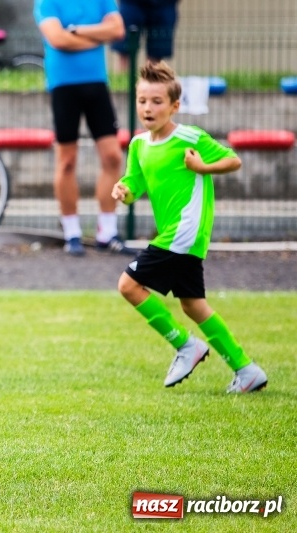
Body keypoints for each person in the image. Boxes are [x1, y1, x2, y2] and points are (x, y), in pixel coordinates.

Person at [112, 61, 268, 393]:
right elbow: (134, 184)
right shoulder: (138, 145)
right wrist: (124, 192)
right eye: (142, 100)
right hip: (178, 236)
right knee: (193, 305)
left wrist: (202, 167)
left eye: (157, 101)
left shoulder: (189, 137)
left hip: (184, 232)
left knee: (128, 285)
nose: (148, 108)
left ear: (174, 106)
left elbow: (233, 160)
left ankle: (186, 345)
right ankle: (247, 369)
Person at [33, 0, 134, 256]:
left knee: (112, 156)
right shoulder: (47, 2)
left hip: (97, 83)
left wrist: (77, 31)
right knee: (67, 160)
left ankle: (107, 232)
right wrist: (97, 37)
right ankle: (72, 233)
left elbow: (117, 30)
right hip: (63, 85)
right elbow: (57, 39)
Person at [112, 0, 179, 70]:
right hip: (131, 3)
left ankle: (151, 75)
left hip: (164, 4)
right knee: (125, 50)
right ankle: (124, 76)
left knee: (156, 55)